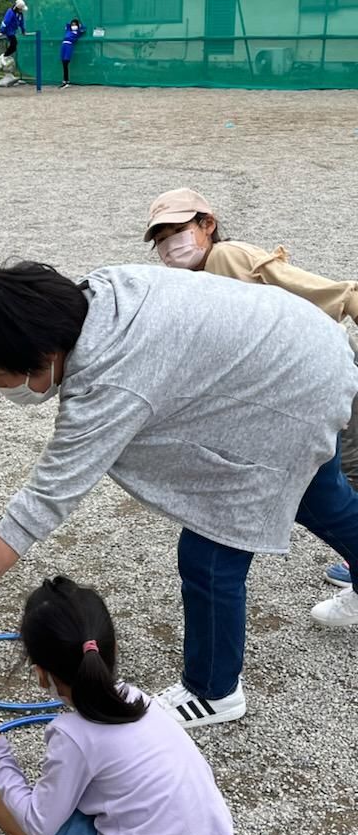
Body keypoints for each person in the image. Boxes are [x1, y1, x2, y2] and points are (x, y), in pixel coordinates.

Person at [0, 261, 358, 730]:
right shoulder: (101, 292)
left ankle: (214, 691)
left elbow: (43, 500)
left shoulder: (111, 378)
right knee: (319, 493)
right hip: (308, 341)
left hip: (297, 384)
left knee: (211, 548)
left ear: (44, 353)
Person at [0, 576, 235, 835]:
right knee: (82, 796)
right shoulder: (138, 699)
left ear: (41, 674)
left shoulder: (74, 736)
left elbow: (38, 824)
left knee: (4, 805)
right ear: (112, 650)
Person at [145, 187, 358, 589]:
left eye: (178, 231)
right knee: (325, 486)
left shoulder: (227, 256)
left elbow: (327, 290)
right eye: (161, 239)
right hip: (295, 388)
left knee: (344, 469)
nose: (170, 245)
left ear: (208, 225)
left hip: (325, 376)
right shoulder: (188, 283)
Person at [0, 0, 27, 71]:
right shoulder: (10, 12)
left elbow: (21, 23)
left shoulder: (20, 14)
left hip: (13, 31)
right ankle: (3, 56)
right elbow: (5, 22)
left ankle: (4, 56)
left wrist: (23, 31)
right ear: (17, 8)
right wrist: (2, 31)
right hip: (8, 31)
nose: (22, 11)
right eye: (21, 9)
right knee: (14, 44)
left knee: (14, 47)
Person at [59, 18, 85, 88]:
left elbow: (84, 28)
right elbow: (67, 24)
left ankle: (66, 81)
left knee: (66, 62)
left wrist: (79, 24)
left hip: (69, 45)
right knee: (63, 62)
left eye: (75, 24)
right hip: (63, 45)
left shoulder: (78, 32)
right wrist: (72, 22)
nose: (73, 26)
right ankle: (65, 81)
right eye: (72, 24)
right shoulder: (68, 30)